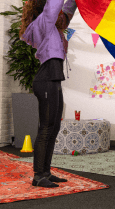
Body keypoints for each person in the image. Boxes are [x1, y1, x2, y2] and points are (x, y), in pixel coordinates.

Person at [20, 0, 77, 188]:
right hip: (46, 79)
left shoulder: (53, 26)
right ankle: (38, 176)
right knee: (46, 128)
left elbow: (67, 11)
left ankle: (46, 172)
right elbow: (53, 7)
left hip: (54, 78)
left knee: (54, 128)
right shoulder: (43, 22)